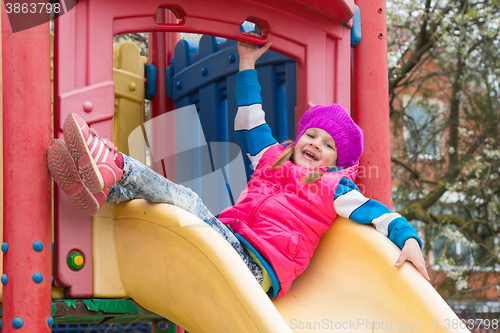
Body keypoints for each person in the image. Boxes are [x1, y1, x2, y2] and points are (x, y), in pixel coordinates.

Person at [47, 35, 429, 299]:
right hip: (230, 243)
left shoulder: (335, 189)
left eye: (328, 146)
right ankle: (106, 183)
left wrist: (411, 241)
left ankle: (114, 164)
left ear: (337, 162)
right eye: (312, 135)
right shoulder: (272, 157)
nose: (316, 145)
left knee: (191, 203)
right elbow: (250, 119)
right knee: (172, 211)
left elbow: (382, 217)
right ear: (298, 139)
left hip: (256, 266)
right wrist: (247, 63)